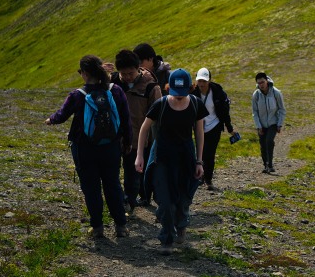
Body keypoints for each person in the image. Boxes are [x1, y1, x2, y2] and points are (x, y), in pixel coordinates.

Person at [45, 55, 132, 238]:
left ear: (84, 73)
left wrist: (50, 120)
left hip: (85, 148)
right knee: (113, 184)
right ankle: (120, 226)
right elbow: (125, 119)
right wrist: (128, 142)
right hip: (111, 147)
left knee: (91, 187)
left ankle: (98, 227)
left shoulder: (78, 95)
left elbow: (62, 115)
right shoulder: (115, 91)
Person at [136, 68, 206, 255]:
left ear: (190, 89)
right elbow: (144, 129)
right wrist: (140, 156)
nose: (179, 97)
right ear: (168, 88)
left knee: (183, 197)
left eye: (183, 94)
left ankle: (181, 224)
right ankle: (166, 237)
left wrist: (199, 161)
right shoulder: (160, 105)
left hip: (186, 157)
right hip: (162, 157)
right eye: (176, 93)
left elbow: (199, 133)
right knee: (165, 201)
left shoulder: (196, 105)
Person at [113, 49, 162, 211]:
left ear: (138, 68)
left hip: (136, 140)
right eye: (123, 74)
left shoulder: (150, 87)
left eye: (130, 73)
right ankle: (120, 201)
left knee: (132, 175)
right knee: (112, 173)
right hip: (113, 137)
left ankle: (129, 204)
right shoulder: (112, 84)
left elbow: (158, 115)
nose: (127, 77)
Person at [194, 67, 236, 191]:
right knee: (199, 153)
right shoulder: (193, 92)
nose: (201, 84)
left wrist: (230, 128)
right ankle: (200, 176)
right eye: (199, 81)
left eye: (204, 81)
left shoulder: (218, 92)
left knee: (209, 154)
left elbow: (224, 112)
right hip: (199, 127)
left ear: (209, 81)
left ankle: (208, 179)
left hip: (214, 126)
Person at [252, 72, 286, 174]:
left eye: (262, 82)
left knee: (269, 141)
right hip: (261, 124)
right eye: (259, 83)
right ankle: (265, 165)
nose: (261, 85)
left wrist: (279, 123)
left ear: (267, 81)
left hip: (273, 123)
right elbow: (255, 112)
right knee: (263, 144)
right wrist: (258, 126)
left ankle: (270, 165)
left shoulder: (276, 93)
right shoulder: (256, 95)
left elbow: (282, 109)